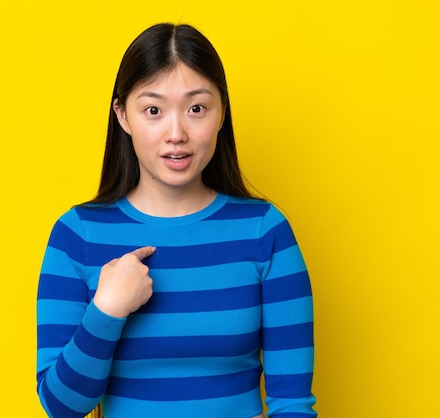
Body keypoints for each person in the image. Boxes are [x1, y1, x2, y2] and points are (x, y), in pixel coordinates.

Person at [36, 23, 317, 418]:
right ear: (123, 116)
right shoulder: (76, 235)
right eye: (153, 110)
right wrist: (107, 308)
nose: (176, 133)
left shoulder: (265, 231)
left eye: (196, 108)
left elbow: (292, 405)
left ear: (222, 113)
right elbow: (61, 407)